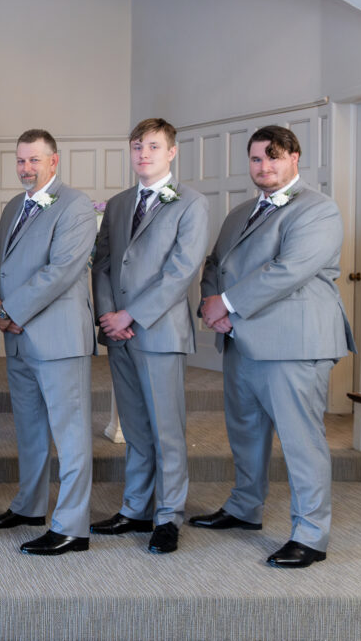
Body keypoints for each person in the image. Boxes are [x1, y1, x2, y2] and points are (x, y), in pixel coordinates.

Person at [194, 125, 354, 569]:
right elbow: (216, 266)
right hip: (241, 340)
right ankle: (245, 507)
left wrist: (225, 304)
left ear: (295, 158)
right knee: (245, 434)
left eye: (273, 157)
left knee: (302, 442)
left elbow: (288, 271)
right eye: (256, 159)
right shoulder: (239, 212)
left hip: (293, 344)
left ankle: (310, 533)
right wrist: (214, 306)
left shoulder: (318, 210)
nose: (263, 167)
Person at [91, 118, 209, 554]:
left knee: (167, 429)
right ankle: (135, 508)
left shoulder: (191, 203)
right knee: (136, 428)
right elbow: (102, 262)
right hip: (118, 332)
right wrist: (108, 314)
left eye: (153, 147)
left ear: (172, 152)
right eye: (138, 146)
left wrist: (131, 315)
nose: (144, 154)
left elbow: (181, 272)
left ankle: (168, 516)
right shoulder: (120, 204)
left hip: (158, 331)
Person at [0, 129, 96, 556]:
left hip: (57, 339)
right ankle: (30, 505)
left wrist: (10, 311)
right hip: (17, 340)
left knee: (70, 435)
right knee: (30, 430)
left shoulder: (76, 205)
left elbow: (63, 270)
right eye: (21, 161)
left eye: (35, 160)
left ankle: (71, 526)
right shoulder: (14, 206)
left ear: (55, 161)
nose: (26, 169)